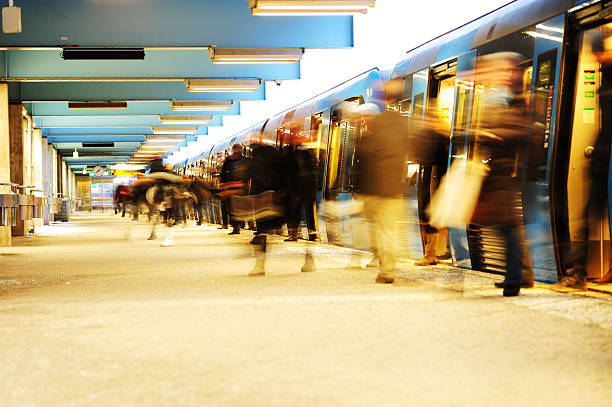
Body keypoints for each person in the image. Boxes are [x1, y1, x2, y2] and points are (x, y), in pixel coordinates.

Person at [470, 52, 530, 297]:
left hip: (508, 173)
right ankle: (514, 276)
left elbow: (521, 130)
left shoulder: (518, 99)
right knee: (504, 227)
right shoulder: (501, 97)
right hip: (499, 172)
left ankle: (516, 279)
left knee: (508, 228)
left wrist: (493, 133)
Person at [561, 28, 612, 288]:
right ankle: (577, 272)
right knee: (589, 215)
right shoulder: (605, 76)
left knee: (590, 214)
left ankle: (577, 272)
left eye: (599, 52)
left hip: (605, 159)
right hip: (603, 160)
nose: (598, 57)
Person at [353, 79, 409, 284]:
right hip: (394, 188)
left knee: (379, 229)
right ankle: (388, 269)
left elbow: (367, 157)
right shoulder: (404, 124)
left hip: (376, 189)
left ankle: (384, 267)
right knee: (389, 230)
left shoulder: (378, 125)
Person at [284, 131, 318, 242]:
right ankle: (309, 233)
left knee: (297, 211)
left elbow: (291, 170)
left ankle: (299, 233)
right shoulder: (307, 151)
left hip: (300, 186)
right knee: (306, 211)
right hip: (305, 186)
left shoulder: (297, 152)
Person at [219, 143, 249, 235]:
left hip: (230, 188)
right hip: (241, 188)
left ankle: (236, 227)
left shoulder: (228, 160)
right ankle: (239, 225)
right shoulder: (246, 160)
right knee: (238, 207)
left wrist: (223, 184)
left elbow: (222, 174)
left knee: (231, 208)